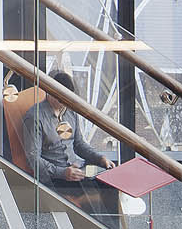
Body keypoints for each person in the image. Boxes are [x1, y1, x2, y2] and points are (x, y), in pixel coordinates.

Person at [21, 71, 118, 220]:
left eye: (68, 99)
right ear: (50, 92)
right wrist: (63, 172)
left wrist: (100, 158)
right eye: (62, 99)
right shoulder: (35, 117)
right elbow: (33, 158)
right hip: (55, 177)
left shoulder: (70, 112)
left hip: (77, 171)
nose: (65, 103)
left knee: (112, 185)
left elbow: (79, 144)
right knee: (94, 193)